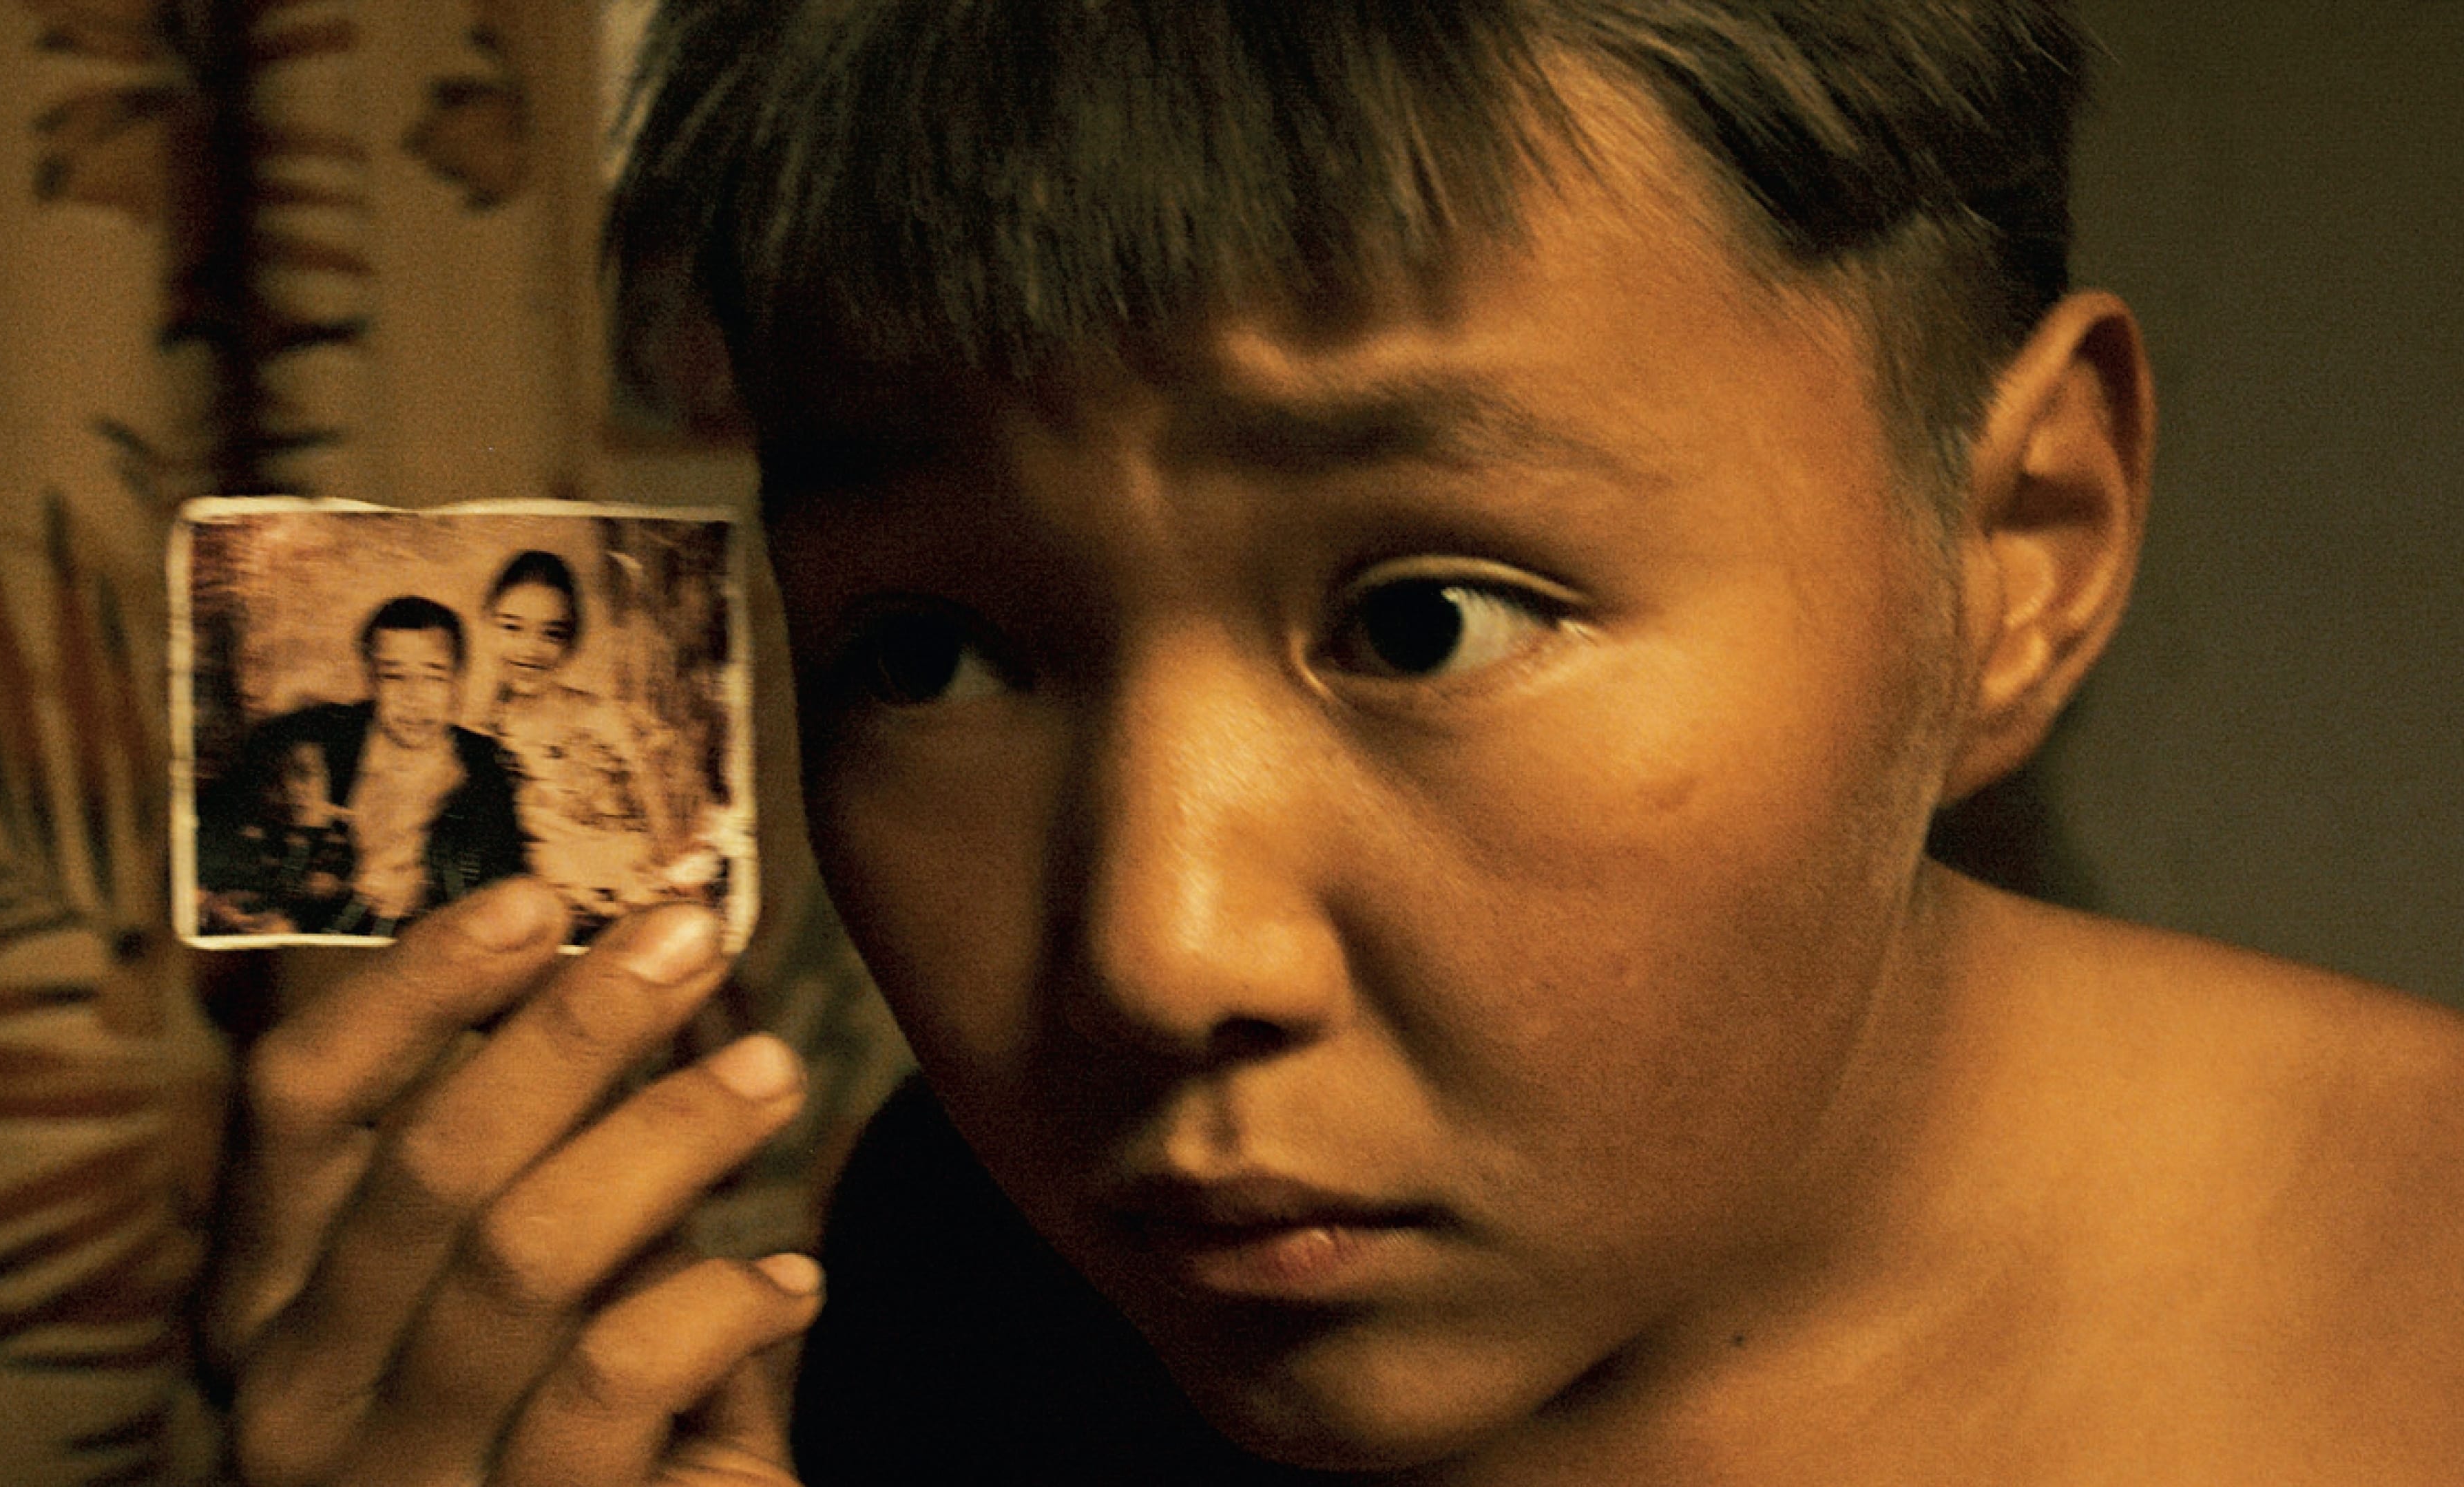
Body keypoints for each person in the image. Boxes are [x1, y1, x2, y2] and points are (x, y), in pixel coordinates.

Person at [202, 3, 2464, 1484]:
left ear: (2021, 547)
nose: (1158, 957)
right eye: (931, 655)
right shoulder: (962, 1288)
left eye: (1425, 622)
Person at [198, 594, 529, 938]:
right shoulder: (315, 739)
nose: (414, 699)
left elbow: (504, 887)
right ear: (371, 680)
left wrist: (426, 891)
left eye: (434, 677)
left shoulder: (487, 769)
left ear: (459, 682)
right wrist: (220, 899)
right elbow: (215, 824)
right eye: (394, 677)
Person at [477, 549, 678, 938]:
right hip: (547, 915)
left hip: (627, 898)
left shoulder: (602, 717)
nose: (530, 650)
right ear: (488, 624)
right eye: (512, 628)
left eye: (551, 633)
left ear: (571, 639)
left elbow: (658, 813)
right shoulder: (489, 734)